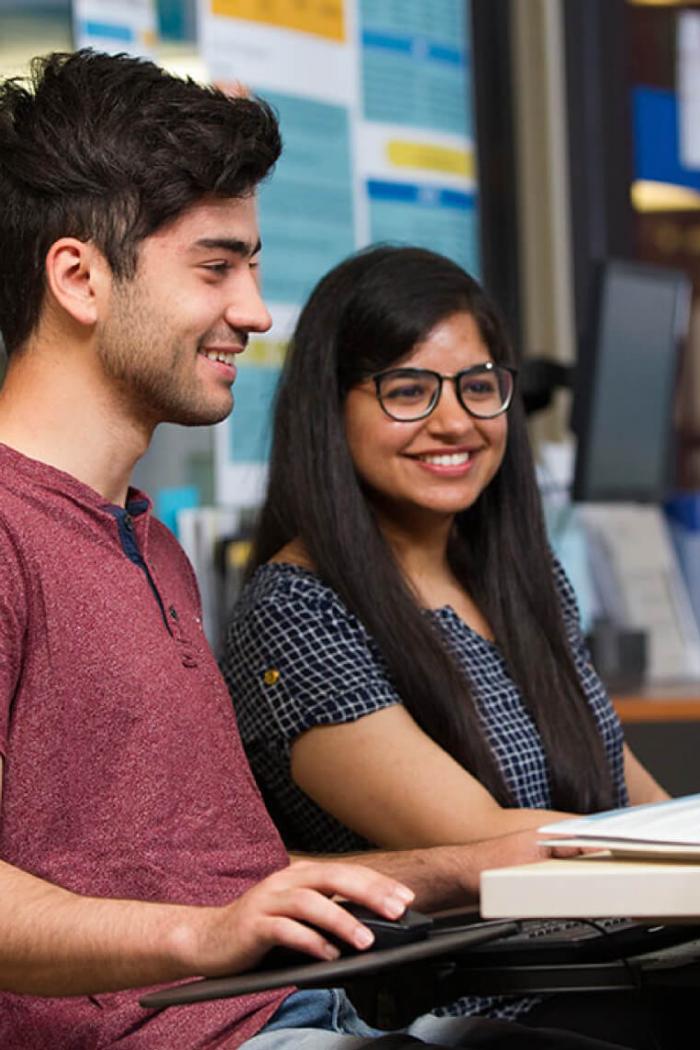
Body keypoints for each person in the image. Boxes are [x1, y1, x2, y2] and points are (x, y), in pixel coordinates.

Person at [0, 48, 635, 1050]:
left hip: (306, 1011)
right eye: (217, 267)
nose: (253, 312)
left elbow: (214, 880)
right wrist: (199, 934)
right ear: (78, 276)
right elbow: (200, 915)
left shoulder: (143, 541)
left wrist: (456, 867)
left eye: (251, 266)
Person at [222, 245, 671, 1040]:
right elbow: (485, 841)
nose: (454, 421)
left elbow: (626, 794)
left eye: (478, 387)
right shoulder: (298, 611)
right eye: (406, 391)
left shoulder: (522, 580)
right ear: (332, 410)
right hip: (473, 1008)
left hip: (611, 963)